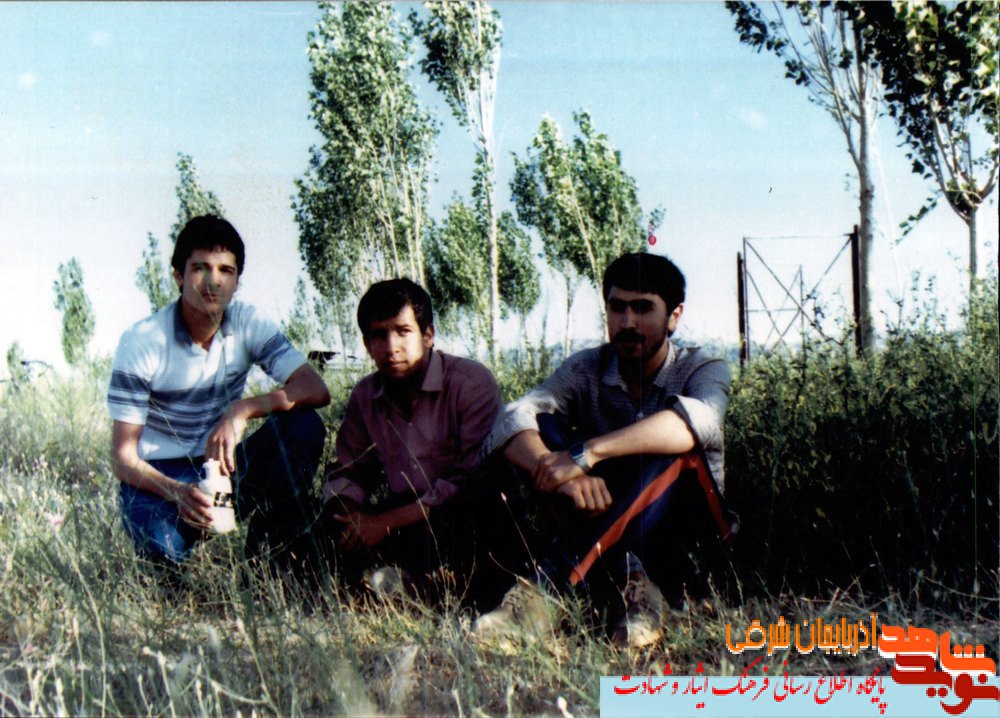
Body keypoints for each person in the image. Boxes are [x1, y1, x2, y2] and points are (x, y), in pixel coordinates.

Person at [473, 252, 734, 648]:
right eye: (617, 308)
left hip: (685, 534)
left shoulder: (702, 366)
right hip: (606, 519)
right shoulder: (587, 367)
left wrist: (586, 454)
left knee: (678, 446)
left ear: (674, 316)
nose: (627, 322)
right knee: (543, 425)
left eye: (643, 308)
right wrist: (558, 470)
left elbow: (698, 422)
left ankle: (550, 585)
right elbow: (513, 417)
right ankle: (633, 587)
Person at [107, 215, 331, 581]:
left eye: (226, 270)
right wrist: (177, 492)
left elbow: (315, 388)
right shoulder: (143, 340)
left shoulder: (247, 322)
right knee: (162, 554)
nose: (214, 281)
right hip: (161, 475)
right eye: (200, 268)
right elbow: (122, 457)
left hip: (223, 465)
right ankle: (175, 557)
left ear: (237, 281)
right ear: (178, 276)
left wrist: (243, 409)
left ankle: (267, 555)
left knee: (302, 426)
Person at [318, 278, 505, 605]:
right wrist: (348, 514)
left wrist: (383, 523)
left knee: (480, 515)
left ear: (428, 335)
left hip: (460, 513)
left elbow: (472, 479)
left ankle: (445, 588)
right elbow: (349, 469)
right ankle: (388, 582)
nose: (391, 347)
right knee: (316, 526)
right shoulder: (365, 395)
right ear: (367, 344)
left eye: (403, 331)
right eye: (379, 335)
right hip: (401, 516)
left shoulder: (470, 383)